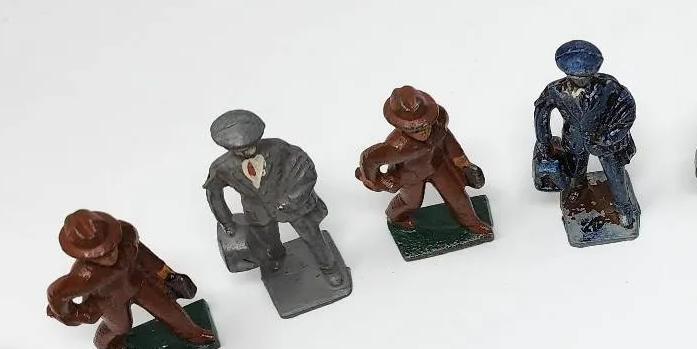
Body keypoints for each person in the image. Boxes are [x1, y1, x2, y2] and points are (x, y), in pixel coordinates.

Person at [203, 109, 344, 287]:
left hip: (294, 206)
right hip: (258, 213)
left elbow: (306, 170)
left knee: (312, 236)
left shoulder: (279, 148)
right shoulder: (221, 167)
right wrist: (227, 222)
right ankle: (278, 257)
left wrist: (291, 199)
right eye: (239, 150)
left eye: (249, 146)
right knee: (269, 242)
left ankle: (329, 267)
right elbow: (213, 194)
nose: (246, 152)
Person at [45, 209, 216, 349]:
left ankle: (192, 334)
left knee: (168, 307)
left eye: (110, 247)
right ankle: (104, 345)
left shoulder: (127, 235)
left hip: (138, 282)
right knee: (121, 327)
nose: (109, 257)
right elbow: (56, 295)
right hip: (109, 301)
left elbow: (145, 256)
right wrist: (74, 314)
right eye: (99, 255)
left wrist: (167, 275)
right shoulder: (83, 276)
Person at [355, 86, 492, 236]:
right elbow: (369, 159)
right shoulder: (396, 147)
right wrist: (375, 180)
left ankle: (471, 223)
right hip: (410, 176)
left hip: (438, 165)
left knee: (457, 195)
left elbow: (449, 142)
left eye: (426, 124)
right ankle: (396, 217)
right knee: (410, 202)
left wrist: (463, 163)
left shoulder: (438, 125)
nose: (424, 132)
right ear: (401, 127)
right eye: (415, 129)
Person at [534, 40, 640, 227]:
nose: (581, 80)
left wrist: (610, 136)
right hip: (574, 139)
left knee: (615, 174)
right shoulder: (555, 90)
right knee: (575, 171)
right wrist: (544, 141)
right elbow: (541, 111)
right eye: (575, 76)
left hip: (604, 140)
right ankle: (579, 191)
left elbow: (627, 111)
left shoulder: (609, 86)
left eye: (587, 76)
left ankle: (623, 207)